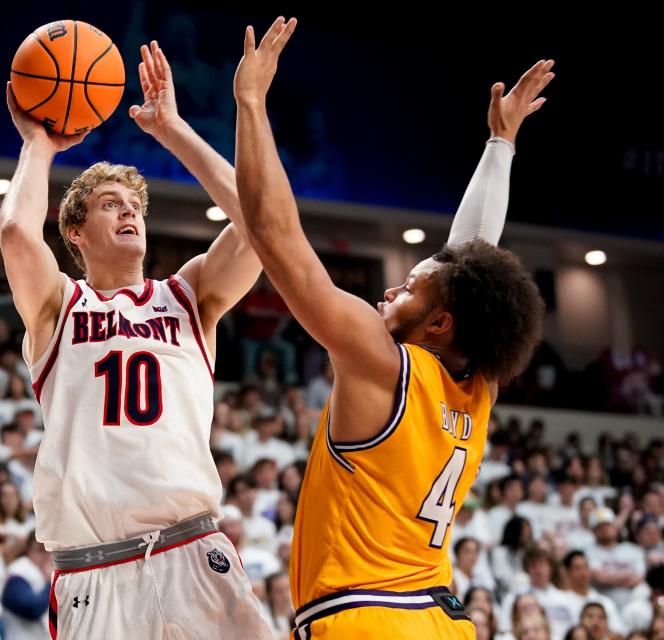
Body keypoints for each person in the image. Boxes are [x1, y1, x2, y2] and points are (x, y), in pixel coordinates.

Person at [233, 17, 551, 638]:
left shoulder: (382, 361)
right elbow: (469, 266)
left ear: (437, 322)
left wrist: (250, 103)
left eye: (406, 288)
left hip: (364, 620)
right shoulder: (478, 379)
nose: (388, 289)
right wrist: (500, 145)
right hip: (443, 619)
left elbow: (274, 235)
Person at [0, 37, 269, 638]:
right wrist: (38, 143)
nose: (128, 214)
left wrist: (173, 132)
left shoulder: (188, 295)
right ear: (75, 232)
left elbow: (261, 223)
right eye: (108, 205)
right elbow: (18, 232)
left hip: (194, 553)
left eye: (134, 207)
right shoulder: (59, 306)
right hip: (93, 572)